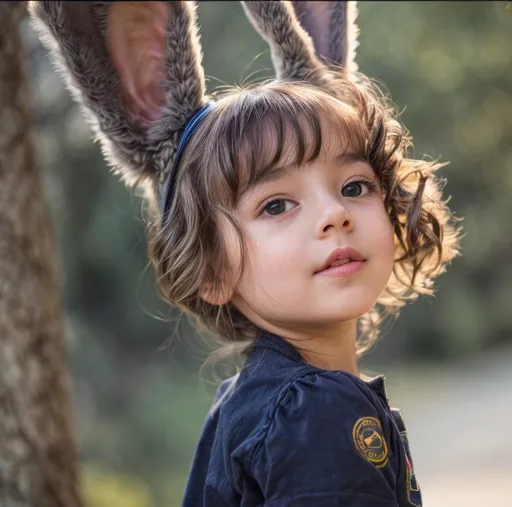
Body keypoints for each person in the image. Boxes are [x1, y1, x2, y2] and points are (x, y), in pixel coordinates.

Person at [30, 1, 461, 505]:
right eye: (277, 204)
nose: (333, 214)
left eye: (354, 186)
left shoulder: (246, 404)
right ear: (211, 269)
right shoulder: (316, 411)